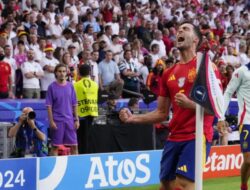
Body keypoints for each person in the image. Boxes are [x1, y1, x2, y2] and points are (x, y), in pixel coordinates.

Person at [119, 22, 215, 190]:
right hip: (174, 136)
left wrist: (191, 104)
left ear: (196, 40)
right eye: (179, 29)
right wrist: (133, 118)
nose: (180, 30)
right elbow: (162, 113)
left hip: (196, 136)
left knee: (184, 183)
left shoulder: (206, 68)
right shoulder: (168, 73)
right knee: (166, 185)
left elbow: (215, 108)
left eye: (185, 29)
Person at [217, 62, 250, 190]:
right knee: (248, 160)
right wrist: (221, 117)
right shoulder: (241, 72)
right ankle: (243, 185)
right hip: (246, 121)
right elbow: (228, 93)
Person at [46, 64, 79, 156]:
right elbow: (49, 106)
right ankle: (53, 168)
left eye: (64, 71)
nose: (62, 73)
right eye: (59, 71)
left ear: (66, 73)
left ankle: (76, 169)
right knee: (55, 147)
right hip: (57, 121)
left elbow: (75, 104)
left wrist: (76, 119)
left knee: (74, 146)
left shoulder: (71, 86)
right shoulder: (51, 87)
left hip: (70, 121)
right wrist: (51, 121)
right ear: (56, 73)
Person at [74, 64, 98, 154]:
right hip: (92, 112)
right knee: (88, 137)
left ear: (79, 73)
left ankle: (82, 155)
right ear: (90, 72)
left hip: (80, 114)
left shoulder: (76, 85)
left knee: (81, 138)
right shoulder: (95, 84)